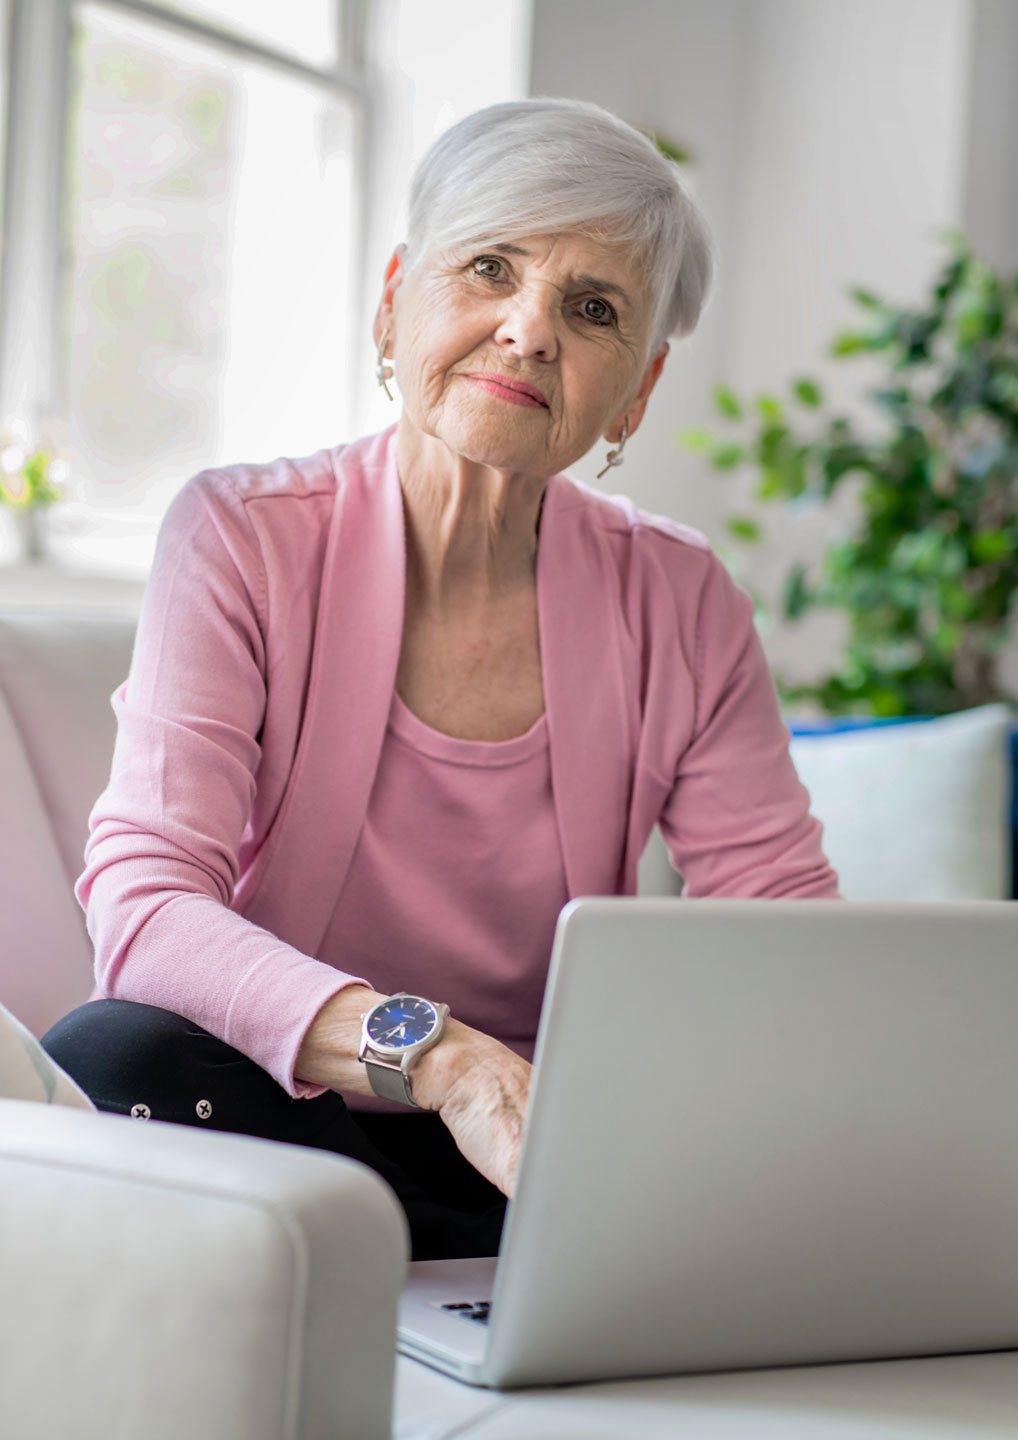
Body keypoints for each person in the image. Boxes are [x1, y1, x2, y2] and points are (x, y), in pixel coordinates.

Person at [43, 98, 841, 1260]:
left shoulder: (680, 596)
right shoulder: (240, 534)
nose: (527, 332)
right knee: (118, 1053)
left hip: (547, 1154)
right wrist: (446, 1062)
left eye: (592, 308)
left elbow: (783, 943)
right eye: (488, 267)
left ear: (639, 389)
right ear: (394, 298)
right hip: (286, 1133)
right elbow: (147, 912)